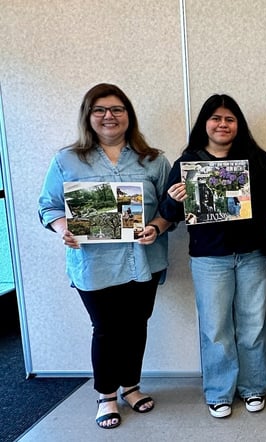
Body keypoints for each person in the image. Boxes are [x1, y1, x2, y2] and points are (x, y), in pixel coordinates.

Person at [38, 83, 171, 429]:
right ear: (89, 116)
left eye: (117, 109)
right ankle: (106, 395)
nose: (109, 116)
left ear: (129, 116)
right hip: (93, 264)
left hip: (143, 260)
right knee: (106, 328)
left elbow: (170, 208)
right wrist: (63, 227)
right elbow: (47, 205)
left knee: (136, 326)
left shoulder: (154, 160)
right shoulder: (66, 159)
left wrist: (155, 227)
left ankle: (131, 387)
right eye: (100, 110)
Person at [160, 94, 266, 418]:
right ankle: (219, 391)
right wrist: (174, 199)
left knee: (253, 324)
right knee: (216, 328)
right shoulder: (188, 163)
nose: (223, 124)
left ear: (238, 124)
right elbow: (169, 213)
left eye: (229, 119)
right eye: (216, 118)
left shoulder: (256, 159)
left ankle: (253, 387)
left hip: (252, 254)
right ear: (205, 124)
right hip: (209, 258)